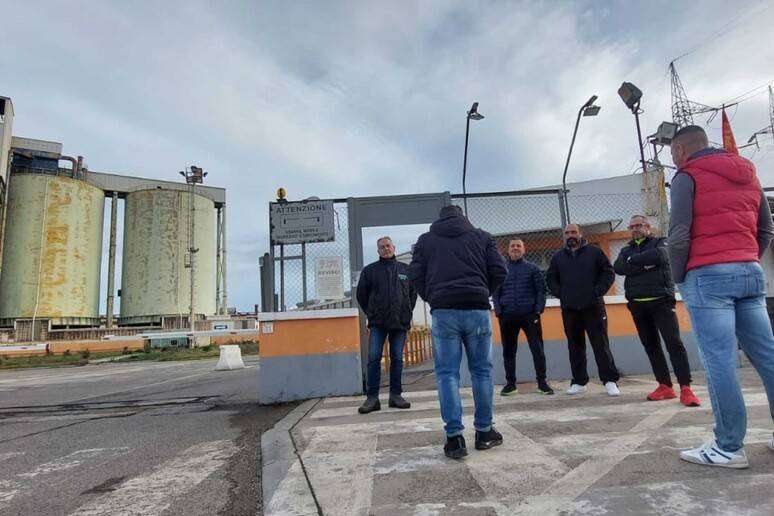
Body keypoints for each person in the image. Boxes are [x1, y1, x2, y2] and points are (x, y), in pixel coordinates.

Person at [667, 125, 774, 469]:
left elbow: (678, 235)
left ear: (680, 150)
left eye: (673, 153)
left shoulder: (686, 176)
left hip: (707, 275)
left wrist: (680, 277)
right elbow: (766, 228)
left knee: (720, 362)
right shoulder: (748, 172)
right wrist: (747, 257)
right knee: (768, 357)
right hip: (750, 272)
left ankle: (728, 447)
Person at [408, 204, 507, 459]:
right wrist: (481, 291)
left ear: (440, 219)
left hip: (444, 311)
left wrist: (432, 296)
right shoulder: (482, 237)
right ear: (463, 217)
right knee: (481, 372)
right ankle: (484, 432)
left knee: (447, 374)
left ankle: (454, 439)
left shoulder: (426, 241)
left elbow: (415, 274)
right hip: (476, 309)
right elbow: (500, 270)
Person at [613, 215, 701, 406]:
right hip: (637, 304)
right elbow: (618, 267)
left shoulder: (661, 242)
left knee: (674, 343)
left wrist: (632, 261)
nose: (635, 229)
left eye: (639, 225)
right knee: (651, 346)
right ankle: (665, 386)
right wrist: (644, 265)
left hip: (661, 301)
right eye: (632, 226)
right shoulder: (626, 249)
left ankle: (686, 388)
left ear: (648, 226)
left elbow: (661, 256)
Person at [546, 224, 621, 396]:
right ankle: (579, 382)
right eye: (567, 233)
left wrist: (596, 292)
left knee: (601, 345)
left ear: (580, 234)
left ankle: (610, 381)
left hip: (593, 307)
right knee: (575, 346)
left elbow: (608, 273)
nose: (570, 235)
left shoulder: (594, 252)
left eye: (573, 232)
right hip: (570, 309)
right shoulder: (558, 257)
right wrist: (562, 294)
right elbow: (550, 279)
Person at [356, 236, 417, 414]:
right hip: (378, 323)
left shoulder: (405, 270)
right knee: (374, 358)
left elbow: (412, 294)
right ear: (378, 251)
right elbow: (361, 295)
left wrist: (406, 312)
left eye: (388, 246)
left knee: (397, 358)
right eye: (382, 247)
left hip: (400, 323)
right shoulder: (369, 271)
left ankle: (395, 396)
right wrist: (372, 313)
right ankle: (372, 398)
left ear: (393, 247)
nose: (385, 249)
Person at [492, 239, 553, 395]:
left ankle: (542, 383)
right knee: (508, 351)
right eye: (512, 246)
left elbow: (541, 291)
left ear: (524, 250)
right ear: (508, 250)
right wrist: (499, 312)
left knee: (537, 350)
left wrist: (538, 311)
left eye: (518, 246)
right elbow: (496, 292)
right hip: (507, 316)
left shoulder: (532, 268)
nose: (515, 248)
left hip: (530, 316)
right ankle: (510, 385)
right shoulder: (501, 269)